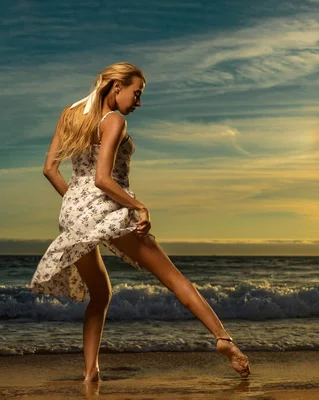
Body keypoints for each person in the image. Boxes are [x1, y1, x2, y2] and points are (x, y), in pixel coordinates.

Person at [28, 62, 250, 382]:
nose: (138, 102)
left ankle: (91, 373)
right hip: (107, 208)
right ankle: (223, 338)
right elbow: (104, 179)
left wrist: (77, 204)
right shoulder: (113, 120)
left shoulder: (71, 113)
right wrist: (139, 206)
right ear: (117, 87)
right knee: (173, 278)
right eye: (137, 93)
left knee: (101, 294)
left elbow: (50, 169)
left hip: (73, 214)